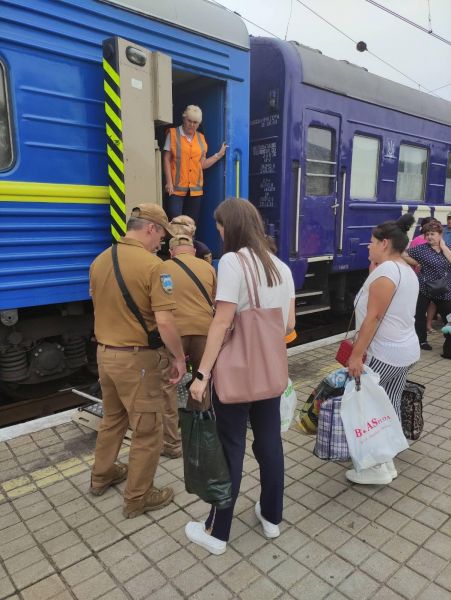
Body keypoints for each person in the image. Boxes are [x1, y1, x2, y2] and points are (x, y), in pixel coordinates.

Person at [184, 198, 296, 555]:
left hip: (235, 377)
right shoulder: (281, 266)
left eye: (219, 225)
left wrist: (201, 374)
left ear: (230, 227)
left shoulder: (232, 261)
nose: (217, 231)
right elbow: (289, 324)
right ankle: (271, 518)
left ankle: (218, 533)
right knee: (269, 445)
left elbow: (222, 321)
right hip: (271, 374)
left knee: (230, 449)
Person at [89, 204, 186, 518]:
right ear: (150, 229)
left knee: (113, 420)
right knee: (147, 430)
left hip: (105, 355)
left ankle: (101, 476)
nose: (161, 243)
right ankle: (138, 498)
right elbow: (166, 323)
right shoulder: (154, 266)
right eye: (161, 235)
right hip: (137, 362)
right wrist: (179, 359)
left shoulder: (99, 260)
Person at [347, 214, 420, 485]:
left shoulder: (387, 273)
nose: (368, 246)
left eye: (372, 242)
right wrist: (373, 265)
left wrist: (356, 355)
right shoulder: (402, 269)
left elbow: (373, 318)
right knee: (387, 404)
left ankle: (376, 469)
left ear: (385, 243)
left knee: (365, 407)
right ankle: (387, 462)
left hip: (384, 353)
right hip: (405, 352)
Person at [159, 234, 216, 457]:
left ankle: (172, 444)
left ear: (172, 252)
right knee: (201, 379)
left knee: (168, 386)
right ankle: (200, 433)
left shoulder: (162, 267)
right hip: (204, 332)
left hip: (175, 335)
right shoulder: (207, 268)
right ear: (192, 251)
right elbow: (214, 299)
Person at [163, 105, 227, 222]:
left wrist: (218, 155)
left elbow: (202, 164)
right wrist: (169, 183)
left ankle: (190, 241)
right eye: (189, 121)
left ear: (199, 123)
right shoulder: (172, 134)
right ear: (184, 119)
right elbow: (166, 158)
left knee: (191, 224)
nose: (192, 125)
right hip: (175, 189)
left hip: (195, 190)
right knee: (176, 222)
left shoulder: (201, 138)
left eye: (195, 122)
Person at [406, 220, 451, 350]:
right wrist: (416, 262)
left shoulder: (447, 247)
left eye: (432, 234)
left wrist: (443, 247)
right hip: (424, 288)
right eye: (427, 234)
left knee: (448, 316)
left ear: (440, 234)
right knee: (419, 315)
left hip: (444, 288)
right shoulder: (421, 249)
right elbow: (403, 254)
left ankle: (448, 343)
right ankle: (421, 341)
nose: (429, 237)